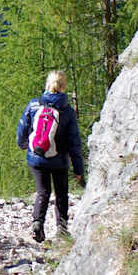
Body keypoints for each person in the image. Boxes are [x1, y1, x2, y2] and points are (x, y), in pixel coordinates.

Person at [16, 69, 85, 242]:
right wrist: (78, 170)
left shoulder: (34, 105)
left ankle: (37, 224)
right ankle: (61, 230)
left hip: (36, 158)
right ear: (63, 87)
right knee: (61, 194)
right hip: (58, 160)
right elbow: (74, 143)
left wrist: (25, 145)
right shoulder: (67, 112)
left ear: (48, 85)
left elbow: (23, 128)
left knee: (43, 192)